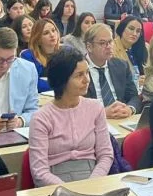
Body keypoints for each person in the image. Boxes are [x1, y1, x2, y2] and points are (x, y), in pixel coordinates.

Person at [29, 48, 114, 186]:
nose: (87, 80)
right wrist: (68, 191)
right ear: (62, 80)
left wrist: (92, 184)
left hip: (93, 176)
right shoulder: (41, 118)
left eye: (87, 72)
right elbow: (39, 171)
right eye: (79, 75)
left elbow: (106, 155)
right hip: (55, 182)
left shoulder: (95, 108)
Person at [84, 24, 141, 117]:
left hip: (119, 120)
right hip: (91, 121)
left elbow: (134, 96)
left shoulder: (121, 65)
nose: (109, 46)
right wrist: (101, 113)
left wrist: (130, 109)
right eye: (102, 43)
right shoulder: (77, 68)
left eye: (110, 42)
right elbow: (72, 106)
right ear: (89, 47)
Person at [21, 18, 61, 92]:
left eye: (53, 30)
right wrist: (59, 85)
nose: (52, 35)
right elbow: (33, 83)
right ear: (38, 39)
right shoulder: (28, 56)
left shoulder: (66, 52)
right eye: (46, 33)